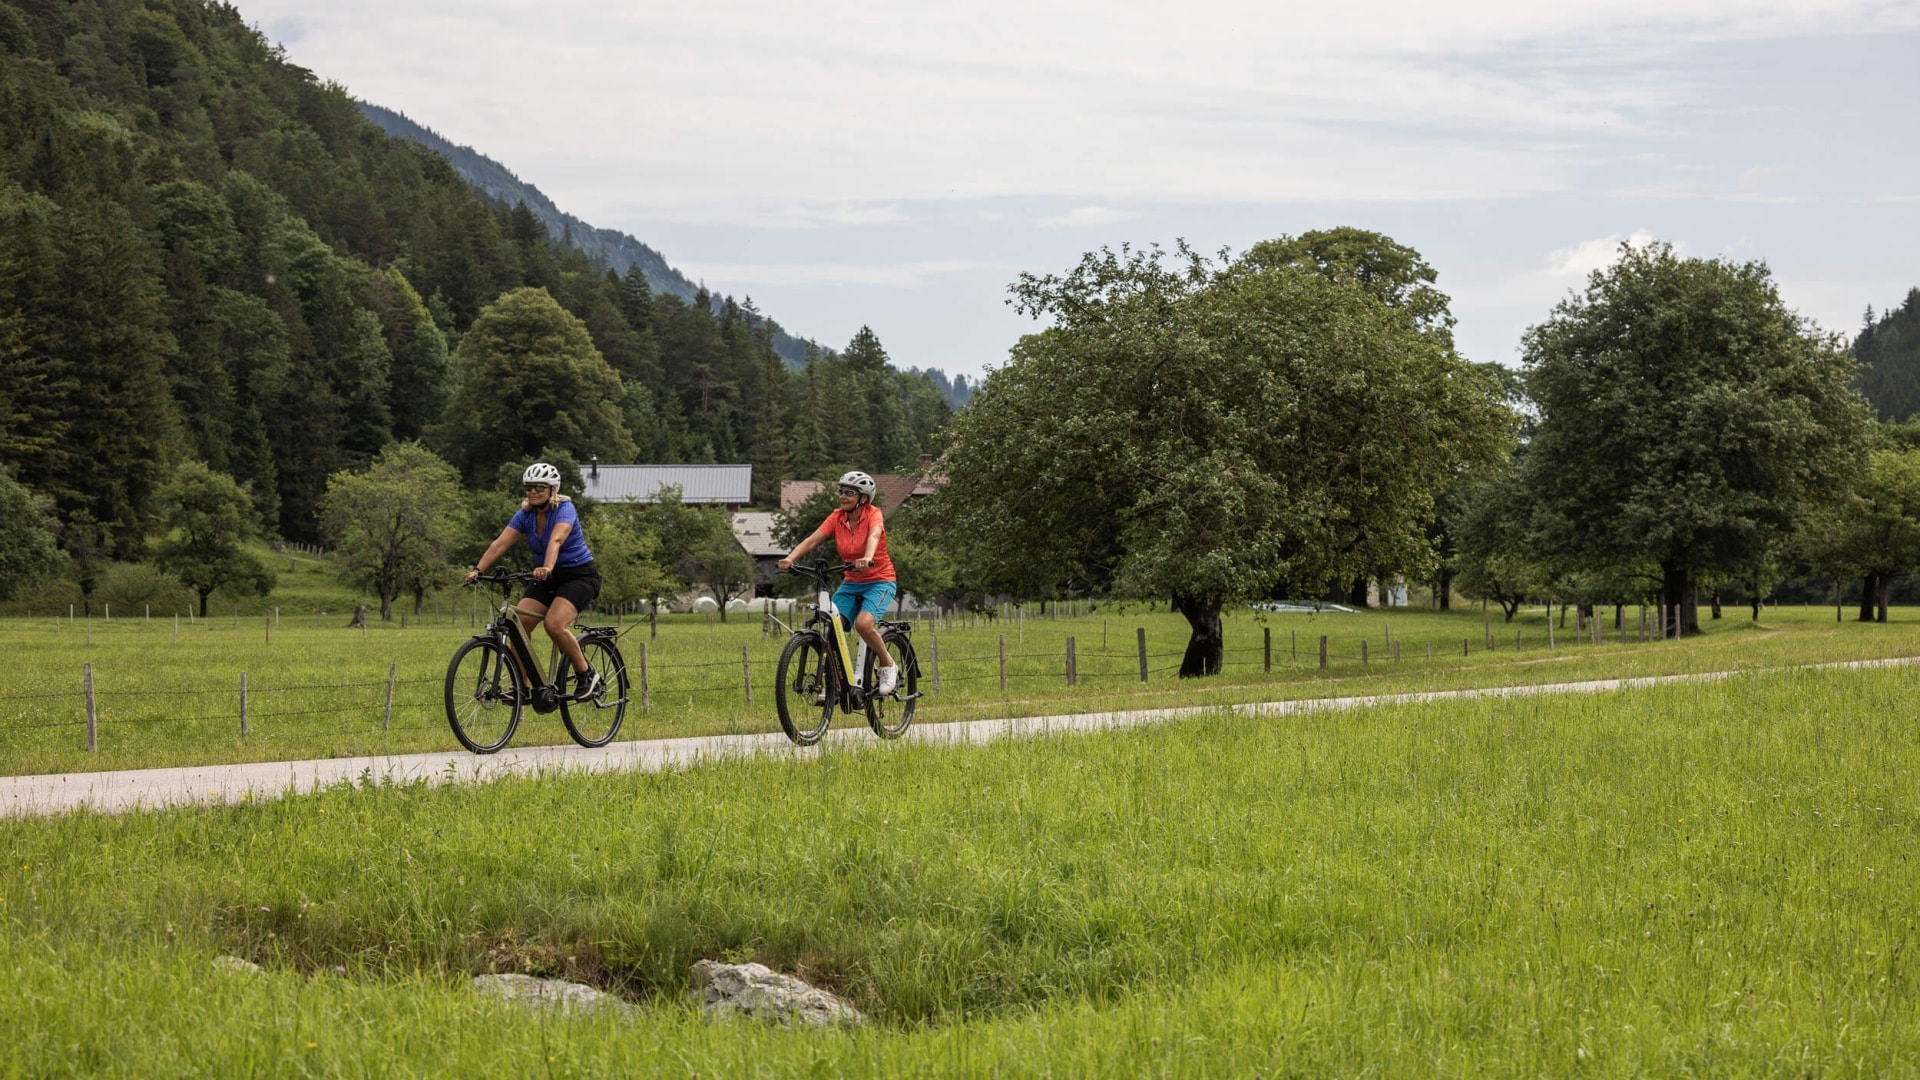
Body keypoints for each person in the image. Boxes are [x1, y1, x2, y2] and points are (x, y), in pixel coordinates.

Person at [466, 462, 603, 699]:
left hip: (578, 575)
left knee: (554, 625)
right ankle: (522, 687)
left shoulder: (565, 509)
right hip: (546, 577)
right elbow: (500, 543)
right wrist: (478, 569)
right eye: (529, 487)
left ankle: (586, 673)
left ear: (552, 489)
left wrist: (547, 566)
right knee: (516, 625)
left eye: (539, 487)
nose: (533, 492)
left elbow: (556, 541)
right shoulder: (525, 515)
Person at [778, 470, 899, 694]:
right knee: (831, 625)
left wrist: (868, 558)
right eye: (841, 491)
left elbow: (874, 535)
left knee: (863, 625)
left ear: (863, 498)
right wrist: (790, 558)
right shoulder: (837, 517)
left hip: (879, 580)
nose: (843, 496)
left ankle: (888, 665)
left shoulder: (874, 514)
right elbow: (812, 540)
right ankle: (834, 682)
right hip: (851, 581)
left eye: (849, 493)